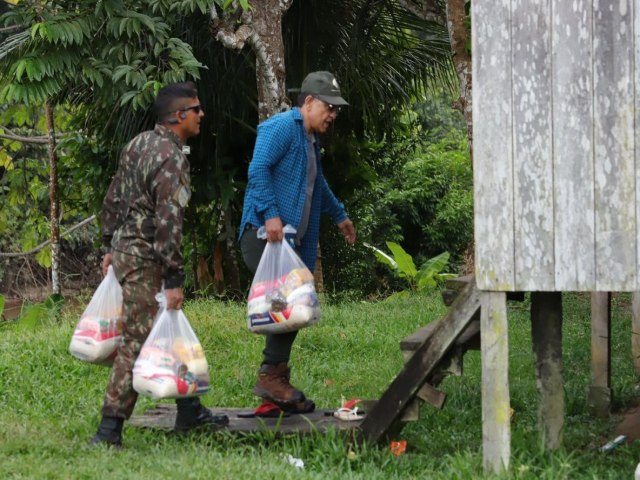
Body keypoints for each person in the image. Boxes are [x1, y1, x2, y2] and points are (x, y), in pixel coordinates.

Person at [91, 82, 228, 447]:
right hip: (145, 259)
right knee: (137, 339)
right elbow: (169, 221)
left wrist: (108, 244)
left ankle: (189, 412)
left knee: (166, 328)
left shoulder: (137, 144)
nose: (202, 115)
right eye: (196, 109)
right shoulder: (171, 157)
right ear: (179, 115)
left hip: (125, 253)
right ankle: (108, 431)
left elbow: (114, 197)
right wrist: (173, 278)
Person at [239, 71, 356, 414]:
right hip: (262, 237)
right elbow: (257, 169)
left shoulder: (310, 142)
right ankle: (270, 376)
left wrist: (340, 216)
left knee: (294, 307)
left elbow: (317, 186)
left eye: (336, 109)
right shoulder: (281, 128)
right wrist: (271, 214)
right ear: (308, 103)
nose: (333, 114)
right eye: (328, 107)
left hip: (288, 244)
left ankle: (272, 388)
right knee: (291, 302)